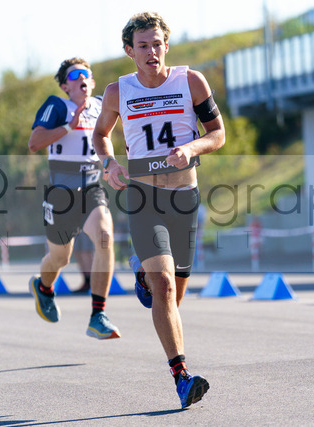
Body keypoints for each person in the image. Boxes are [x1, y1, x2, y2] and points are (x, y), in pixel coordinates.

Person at [92, 12, 226, 408]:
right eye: (143, 46)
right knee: (164, 285)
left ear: (166, 45)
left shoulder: (191, 81)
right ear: (129, 51)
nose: (151, 52)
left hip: (184, 199)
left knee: (172, 295)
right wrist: (109, 164)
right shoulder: (117, 91)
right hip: (144, 197)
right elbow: (100, 134)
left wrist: (192, 148)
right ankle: (182, 377)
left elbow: (218, 134)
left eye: (157, 44)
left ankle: (141, 272)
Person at [27, 57, 120, 340]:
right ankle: (43, 287)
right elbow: (34, 143)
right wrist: (69, 126)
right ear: (65, 86)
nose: (81, 78)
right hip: (61, 193)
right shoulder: (57, 106)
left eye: (86, 74)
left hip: (92, 187)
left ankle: (98, 315)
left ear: (92, 82)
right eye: (74, 75)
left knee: (105, 237)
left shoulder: (101, 105)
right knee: (60, 258)